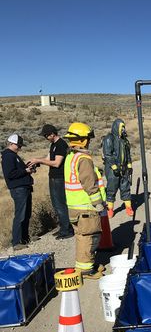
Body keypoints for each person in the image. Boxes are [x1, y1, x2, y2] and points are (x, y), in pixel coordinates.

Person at [64, 122, 106, 279]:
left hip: (74, 207)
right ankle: (86, 270)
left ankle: (88, 263)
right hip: (85, 207)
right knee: (88, 237)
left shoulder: (70, 156)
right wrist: (98, 204)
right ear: (83, 140)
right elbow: (89, 184)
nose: (89, 141)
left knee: (82, 236)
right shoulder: (83, 159)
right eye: (88, 138)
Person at [28, 124, 73, 239]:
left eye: (46, 136)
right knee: (56, 204)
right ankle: (63, 227)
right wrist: (36, 162)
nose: (45, 138)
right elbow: (48, 159)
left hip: (59, 178)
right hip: (53, 178)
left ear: (52, 134)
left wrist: (39, 160)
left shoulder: (61, 145)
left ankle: (67, 230)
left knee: (60, 204)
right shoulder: (53, 145)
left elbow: (57, 163)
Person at [1, 134, 34, 249]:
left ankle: (25, 238)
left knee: (26, 213)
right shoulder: (8, 156)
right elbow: (10, 174)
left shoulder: (13, 155)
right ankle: (16, 242)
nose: (20, 147)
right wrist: (25, 170)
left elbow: (16, 171)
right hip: (18, 188)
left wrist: (27, 169)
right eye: (18, 145)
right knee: (20, 214)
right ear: (11, 144)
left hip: (23, 187)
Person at [102, 118, 133, 218]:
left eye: (124, 127)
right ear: (116, 127)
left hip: (123, 168)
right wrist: (114, 166)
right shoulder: (109, 138)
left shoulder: (124, 140)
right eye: (121, 127)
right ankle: (110, 209)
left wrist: (129, 165)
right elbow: (107, 154)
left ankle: (128, 207)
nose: (123, 129)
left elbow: (128, 154)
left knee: (125, 187)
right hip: (112, 169)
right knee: (111, 188)